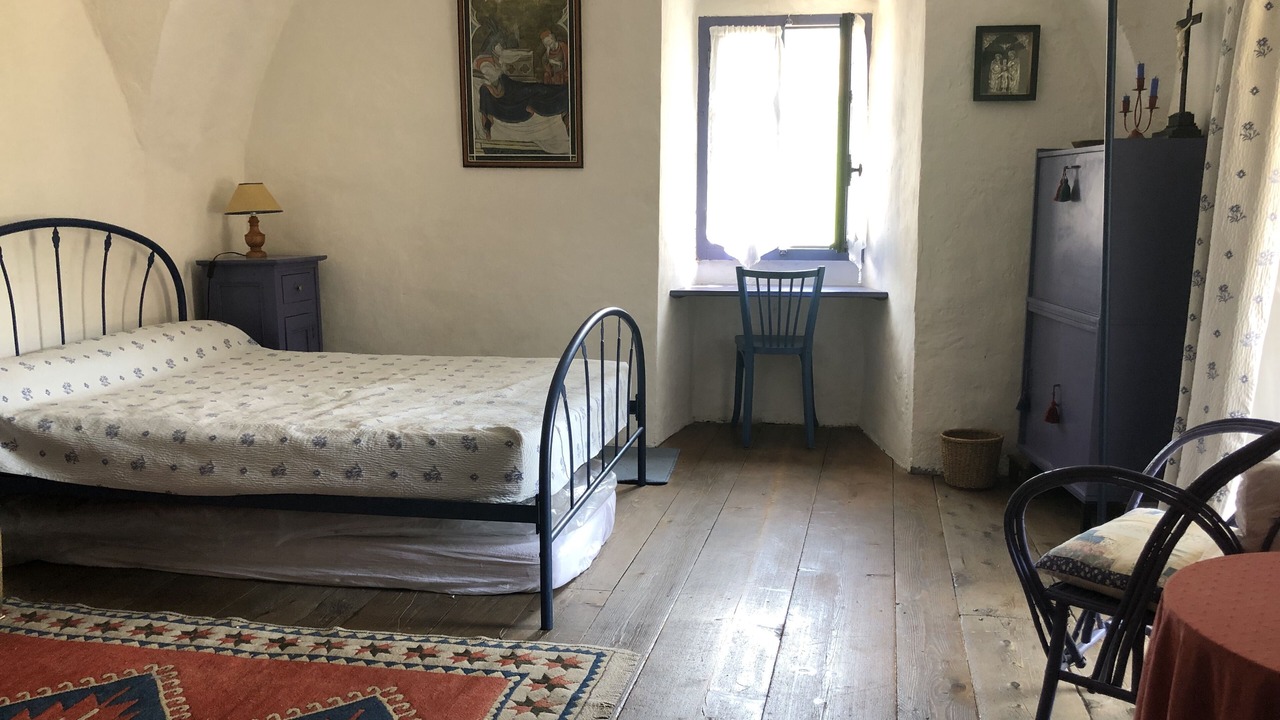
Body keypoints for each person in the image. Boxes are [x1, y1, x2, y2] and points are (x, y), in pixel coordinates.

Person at [472, 54, 569, 141]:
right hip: (513, 101)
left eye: (490, 68)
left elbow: (511, 84)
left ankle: (563, 92)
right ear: (484, 74)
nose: (489, 71)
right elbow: (488, 110)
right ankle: (562, 96)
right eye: (486, 71)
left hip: (518, 90)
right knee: (536, 94)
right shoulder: (485, 88)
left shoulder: (500, 78)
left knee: (538, 88)